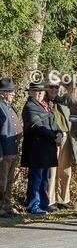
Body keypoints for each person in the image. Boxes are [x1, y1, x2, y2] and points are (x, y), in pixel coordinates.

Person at [47, 78, 77, 209]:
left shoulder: (64, 100)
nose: (54, 89)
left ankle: (63, 199)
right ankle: (49, 201)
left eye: (56, 87)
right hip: (52, 138)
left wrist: (64, 83)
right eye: (51, 87)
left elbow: (75, 88)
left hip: (66, 137)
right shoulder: (43, 102)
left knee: (65, 170)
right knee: (52, 171)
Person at [21, 82, 61, 214]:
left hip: (47, 148)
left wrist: (59, 133)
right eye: (36, 91)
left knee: (45, 179)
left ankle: (44, 204)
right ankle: (33, 206)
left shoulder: (45, 106)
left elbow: (54, 122)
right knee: (36, 178)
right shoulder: (30, 107)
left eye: (41, 91)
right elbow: (37, 126)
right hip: (36, 148)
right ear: (30, 93)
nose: (39, 93)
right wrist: (54, 137)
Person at [0, 78, 22, 217]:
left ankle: (7, 205)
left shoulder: (8, 106)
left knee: (9, 180)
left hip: (12, 149)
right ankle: (0, 207)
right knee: (1, 181)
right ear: (2, 93)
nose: (13, 93)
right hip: (4, 151)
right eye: (10, 91)